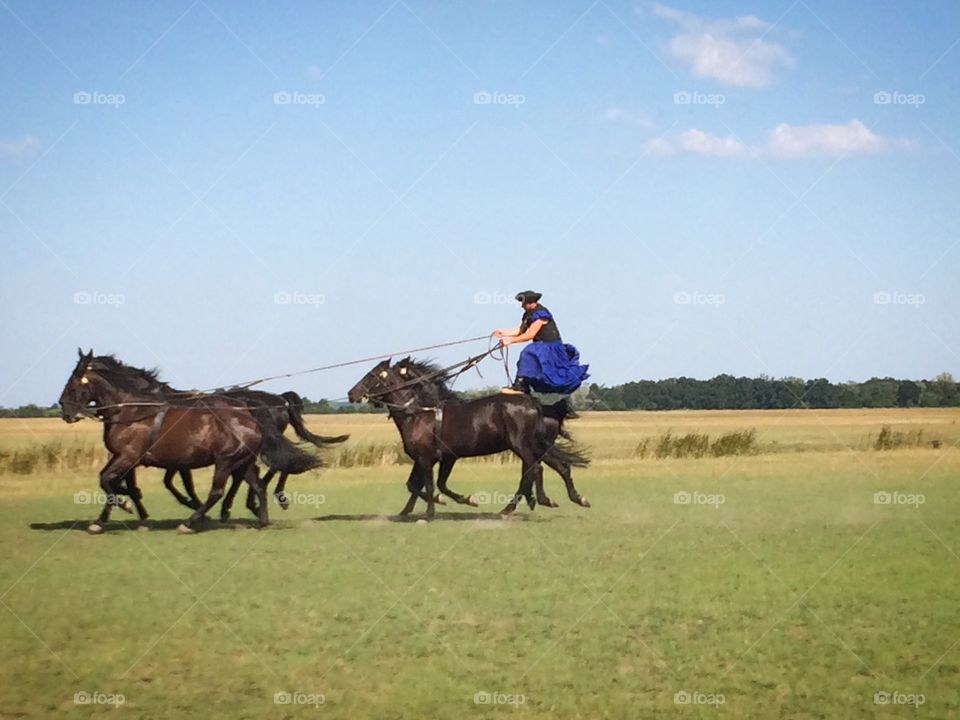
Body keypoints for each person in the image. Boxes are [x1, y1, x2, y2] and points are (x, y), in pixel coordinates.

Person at [494, 290, 589, 395]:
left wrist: (510, 341)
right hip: (541, 346)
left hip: (550, 346)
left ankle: (520, 386)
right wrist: (504, 333)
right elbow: (521, 331)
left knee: (528, 353)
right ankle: (524, 385)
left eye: (523, 303)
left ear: (531, 303)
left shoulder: (541, 314)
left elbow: (530, 335)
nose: (522, 306)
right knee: (526, 360)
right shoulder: (529, 314)